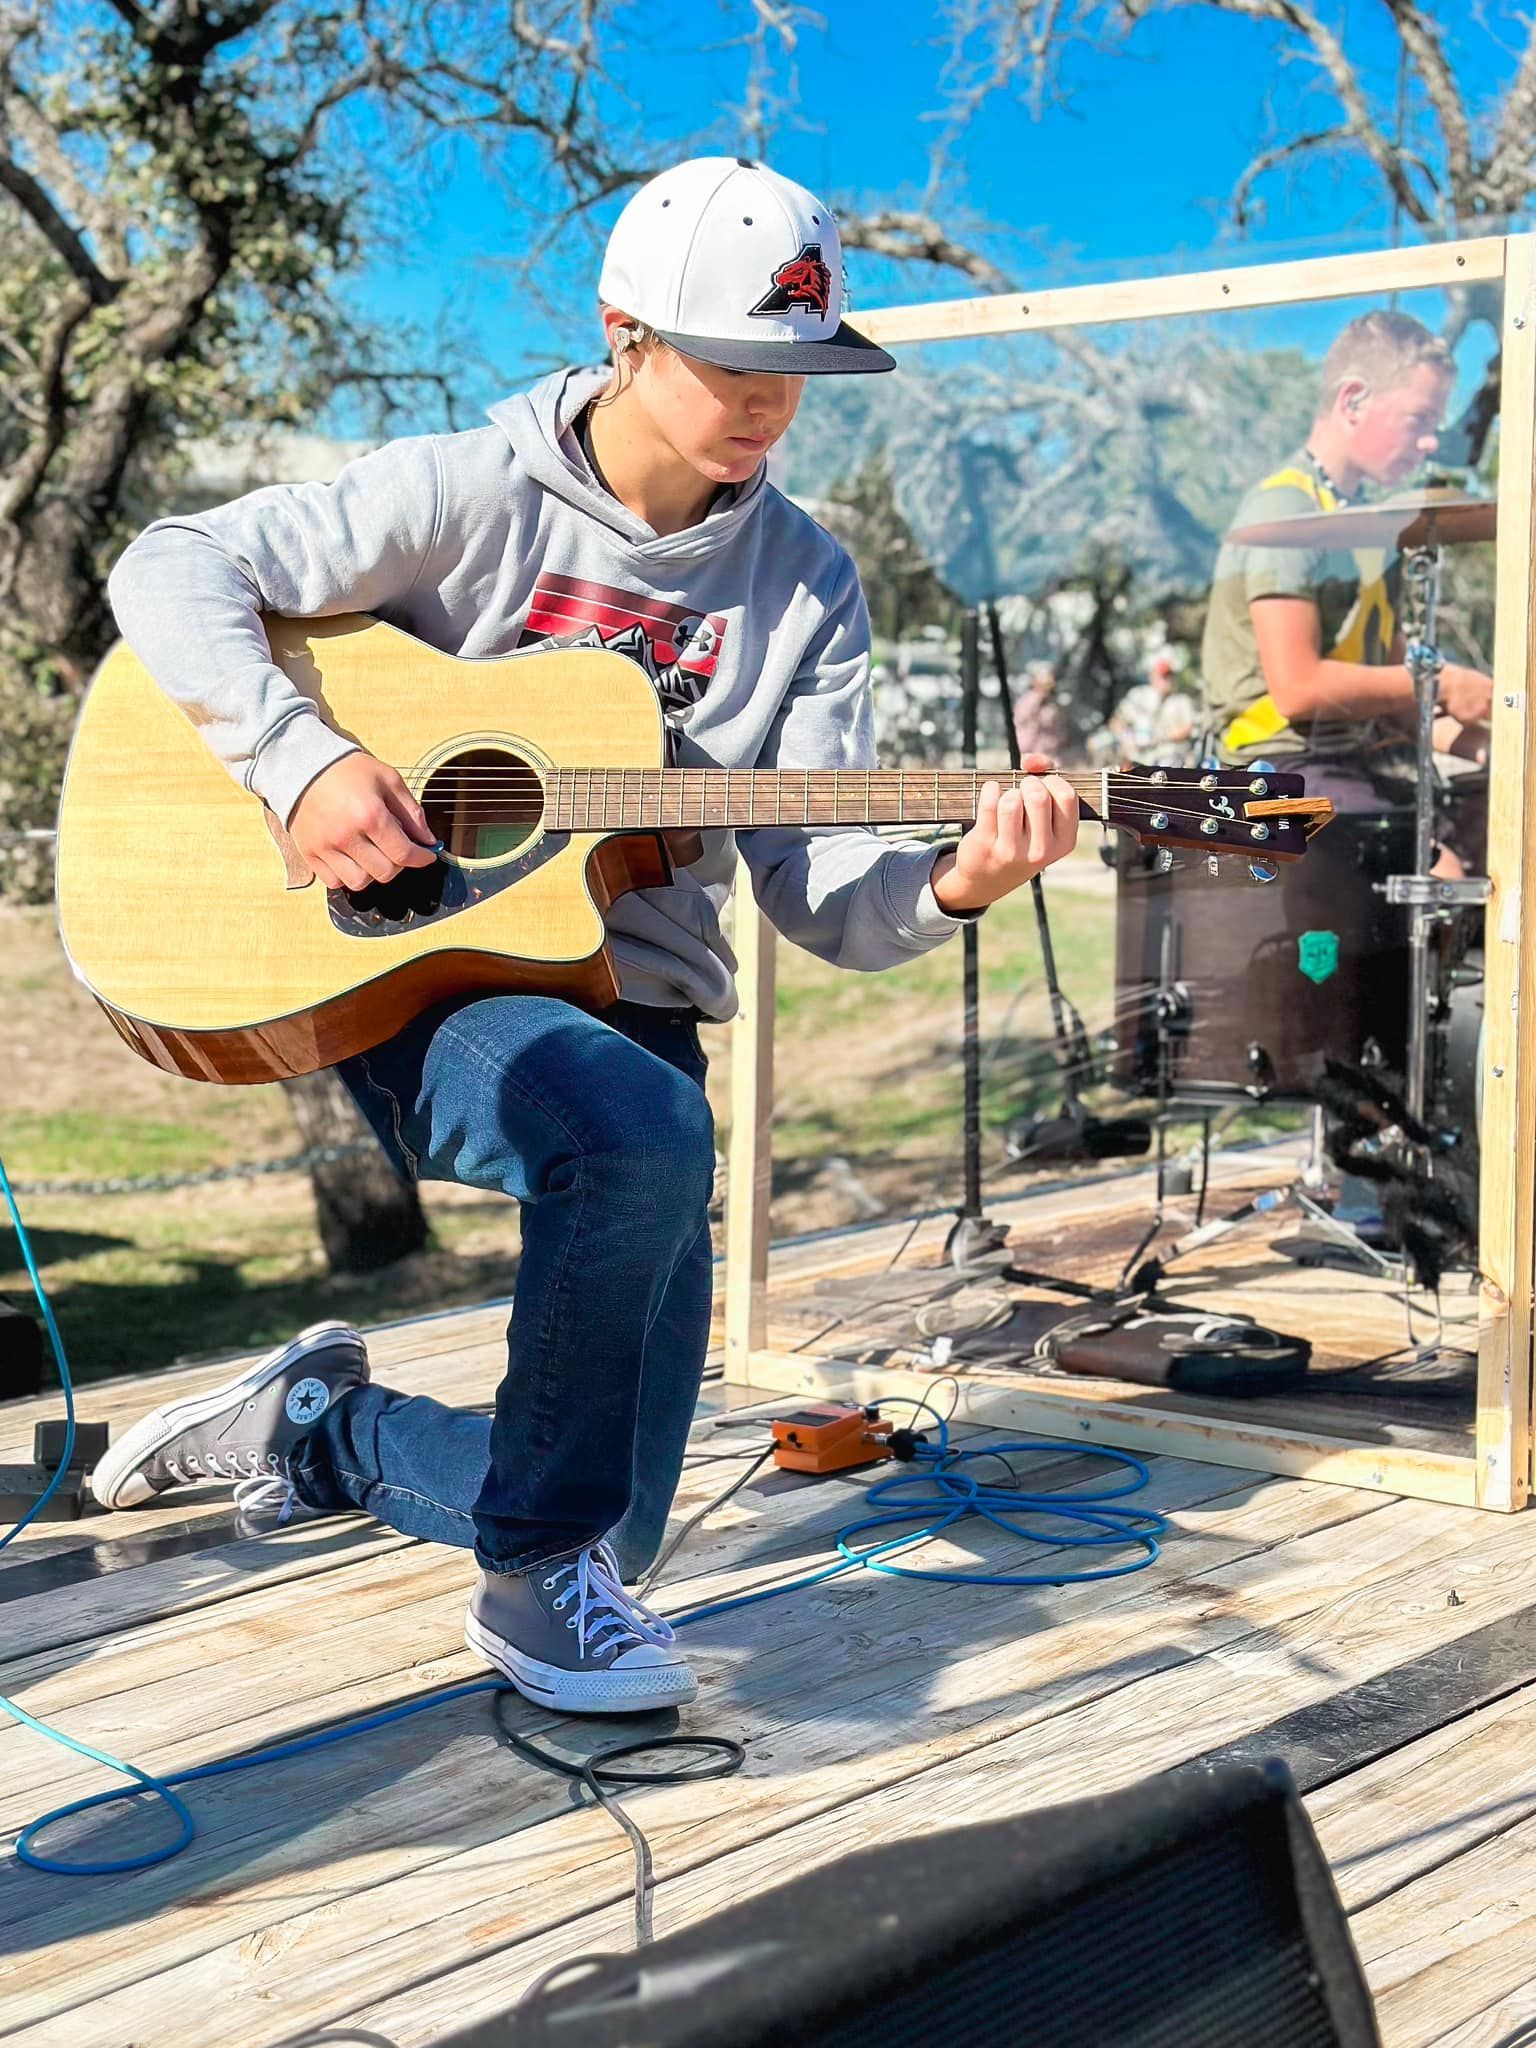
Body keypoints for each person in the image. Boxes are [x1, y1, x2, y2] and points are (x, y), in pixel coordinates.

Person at [89, 157, 1080, 1717]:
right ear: (623, 333)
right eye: (733, 365)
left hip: (636, 1012)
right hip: (403, 977)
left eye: (798, 376)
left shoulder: (807, 587)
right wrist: (303, 758)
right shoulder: (468, 495)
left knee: (616, 1517)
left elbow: (818, 884)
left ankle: (319, 1432)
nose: (768, 407)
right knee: (633, 1141)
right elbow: (169, 564)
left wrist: (955, 883)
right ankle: (528, 1592)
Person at [1201, 309, 1492, 804]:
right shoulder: (1288, 511)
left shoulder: (1365, 526)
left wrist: (1496, 749)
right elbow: (1297, 687)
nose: (1428, 443)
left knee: (1476, 822)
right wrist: (1442, 682)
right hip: (1276, 769)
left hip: (1349, 758)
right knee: (1428, 866)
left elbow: (1399, 699)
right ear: (1353, 400)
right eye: (1418, 419)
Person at [1109, 653, 1196, 765]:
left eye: (1170, 676)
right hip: (1138, 755)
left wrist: (1160, 738)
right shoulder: (1138, 695)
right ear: (1152, 677)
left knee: (1168, 763)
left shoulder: (1181, 701)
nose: (1168, 680)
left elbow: (1188, 728)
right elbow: (1117, 721)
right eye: (1163, 676)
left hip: (1170, 754)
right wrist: (1128, 738)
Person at [1012, 660, 1072, 764]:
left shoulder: (1054, 704)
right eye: (1044, 684)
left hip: (1050, 754)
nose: (1047, 688)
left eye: (1049, 684)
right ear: (1036, 683)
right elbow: (1022, 720)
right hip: (1027, 753)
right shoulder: (1026, 701)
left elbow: (1060, 728)